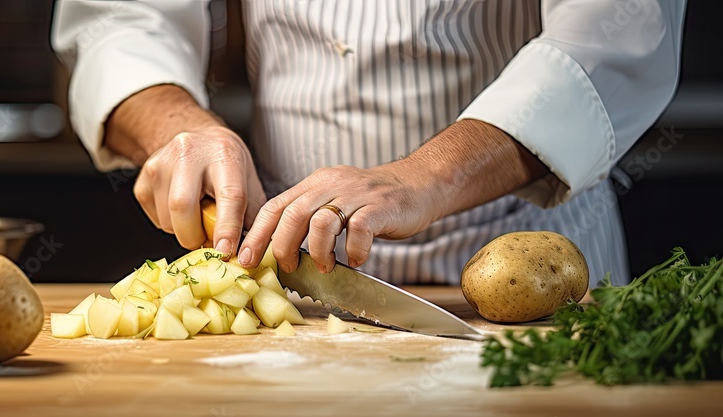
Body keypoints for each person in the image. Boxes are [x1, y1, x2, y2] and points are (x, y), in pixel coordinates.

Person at [53, 0, 685, 286]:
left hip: (531, 261)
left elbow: (616, 37)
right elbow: (123, 18)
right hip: (290, 269)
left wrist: (428, 176)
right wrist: (178, 128)